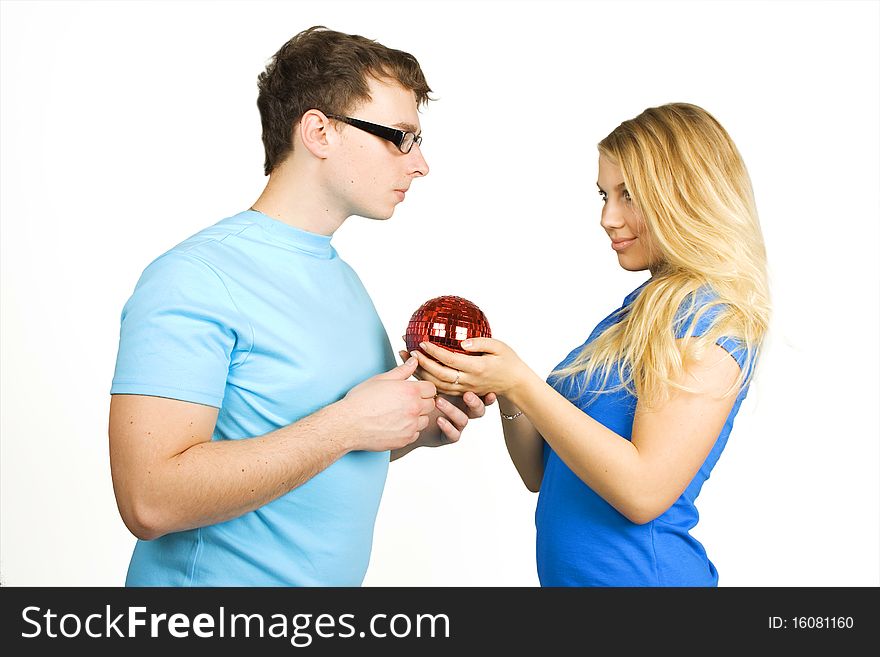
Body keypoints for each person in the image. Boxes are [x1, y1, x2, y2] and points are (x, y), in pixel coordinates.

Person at [108, 26, 493, 587]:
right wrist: (346, 424)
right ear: (319, 132)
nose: (420, 163)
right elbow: (149, 500)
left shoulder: (343, 280)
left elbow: (318, 448)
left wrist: (409, 427)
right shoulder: (196, 277)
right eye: (400, 136)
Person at [408, 103, 770, 586]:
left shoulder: (710, 318)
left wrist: (521, 381)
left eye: (629, 195)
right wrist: (507, 390)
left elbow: (644, 493)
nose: (607, 217)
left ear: (685, 197)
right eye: (604, 194)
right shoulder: (635, 313)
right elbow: (539, 474)